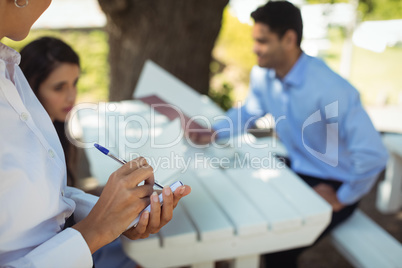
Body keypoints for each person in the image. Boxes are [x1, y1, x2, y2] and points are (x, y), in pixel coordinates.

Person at [189, 1, 388, 267]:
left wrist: (342, 198)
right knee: (237, 203)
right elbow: (249, 112)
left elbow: (374, 155)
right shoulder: (264, 76)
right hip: (297, 168)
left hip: (334, 182)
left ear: (289, 39)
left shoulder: (331, 89)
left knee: (277, 247)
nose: (254, 48)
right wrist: (213, 133)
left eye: (262, 41)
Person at [0, 1, 191, 268]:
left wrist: (117, 214)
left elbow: (41, 198)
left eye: (75, 84)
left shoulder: (10, 70)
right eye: (59, 87)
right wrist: (97, 228)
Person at [19, 36, 135, 267]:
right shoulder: (24, 147)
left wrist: (103, 192)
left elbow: (61, 194)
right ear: (31, 87)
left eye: (75, 83)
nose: (72, 96)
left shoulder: (60, 130)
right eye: (59, 87)